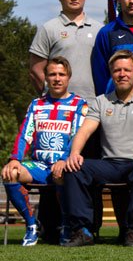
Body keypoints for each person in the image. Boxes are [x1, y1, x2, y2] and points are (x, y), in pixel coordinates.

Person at [62, 50, 133, 247]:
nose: (122, 74)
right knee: (74, 169)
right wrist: (74, 154)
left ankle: (132, 231)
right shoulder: (100, 101)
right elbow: (84, 131)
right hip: (108, 164)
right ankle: (83, 231)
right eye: (117, 70)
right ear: (111, 73)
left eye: (127, 70)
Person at [3, 57, 86, 246]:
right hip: (39, 165)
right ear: (46, 78)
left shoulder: (79, 104)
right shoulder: (36, 104)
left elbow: (77, 137)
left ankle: (66, 225)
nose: (57, 78)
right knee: (10, 173)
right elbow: (24, 135)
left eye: (61, 74)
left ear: (68, 77)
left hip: (64, 165)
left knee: (62, 173)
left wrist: (65, 160)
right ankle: (32, 225)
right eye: (52, 74)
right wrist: (15, 159)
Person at [29, 0, 102, 103]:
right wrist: (50, 95)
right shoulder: (48, 29)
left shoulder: (100, 29)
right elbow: (36, 70)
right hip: (57, 105)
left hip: (92, 105)